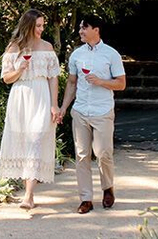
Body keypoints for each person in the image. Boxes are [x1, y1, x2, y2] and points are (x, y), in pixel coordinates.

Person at [58, 15, 126, 214]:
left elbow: (121, 84)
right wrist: (64, 107)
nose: (80, 31)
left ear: (96, 30)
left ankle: (107, 188)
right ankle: (86, 199)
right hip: (80, 111)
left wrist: (101, 81)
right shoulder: (76, 55)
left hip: (102, 111)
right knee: (81, 155)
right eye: (80, 28)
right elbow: (72, 83)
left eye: (84, 27)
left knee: (104, 153)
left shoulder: (111, 54)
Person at [0, 8, 61, 209]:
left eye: (43, 25)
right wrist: (19, 69)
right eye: (38, 26)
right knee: (24, 141)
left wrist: (54, 104)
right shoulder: (14, 48)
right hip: (20, 97)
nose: (41, 29)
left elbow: (53, 78)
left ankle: (29, 195)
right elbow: (6, 79)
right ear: (29, 26)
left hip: (41, 96)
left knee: (36, 140)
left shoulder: (47, 47)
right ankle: (28, 195)